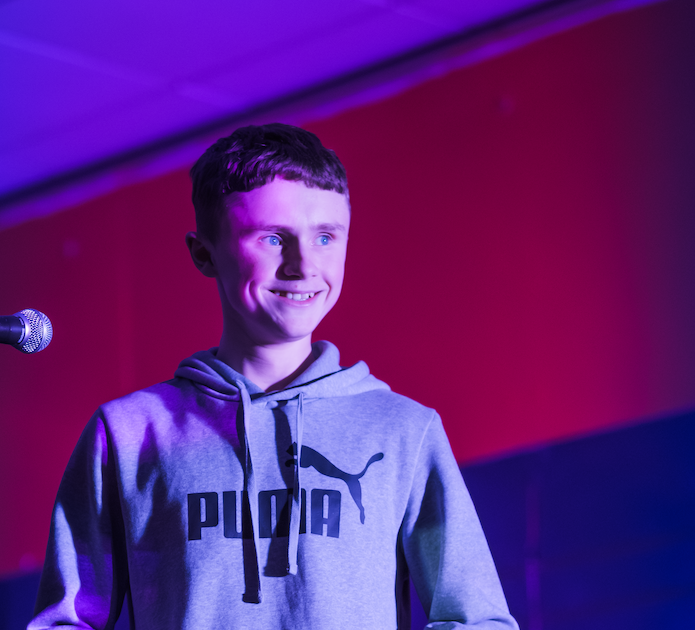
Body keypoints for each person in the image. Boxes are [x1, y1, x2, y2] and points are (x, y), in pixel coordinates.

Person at [28, 123, 519, 629]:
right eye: (272, 238)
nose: (303, 265)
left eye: (326, 236)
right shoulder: (130, 434)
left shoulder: (402, 429)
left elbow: (477, 619)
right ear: (204, 254)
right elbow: (67, 622)